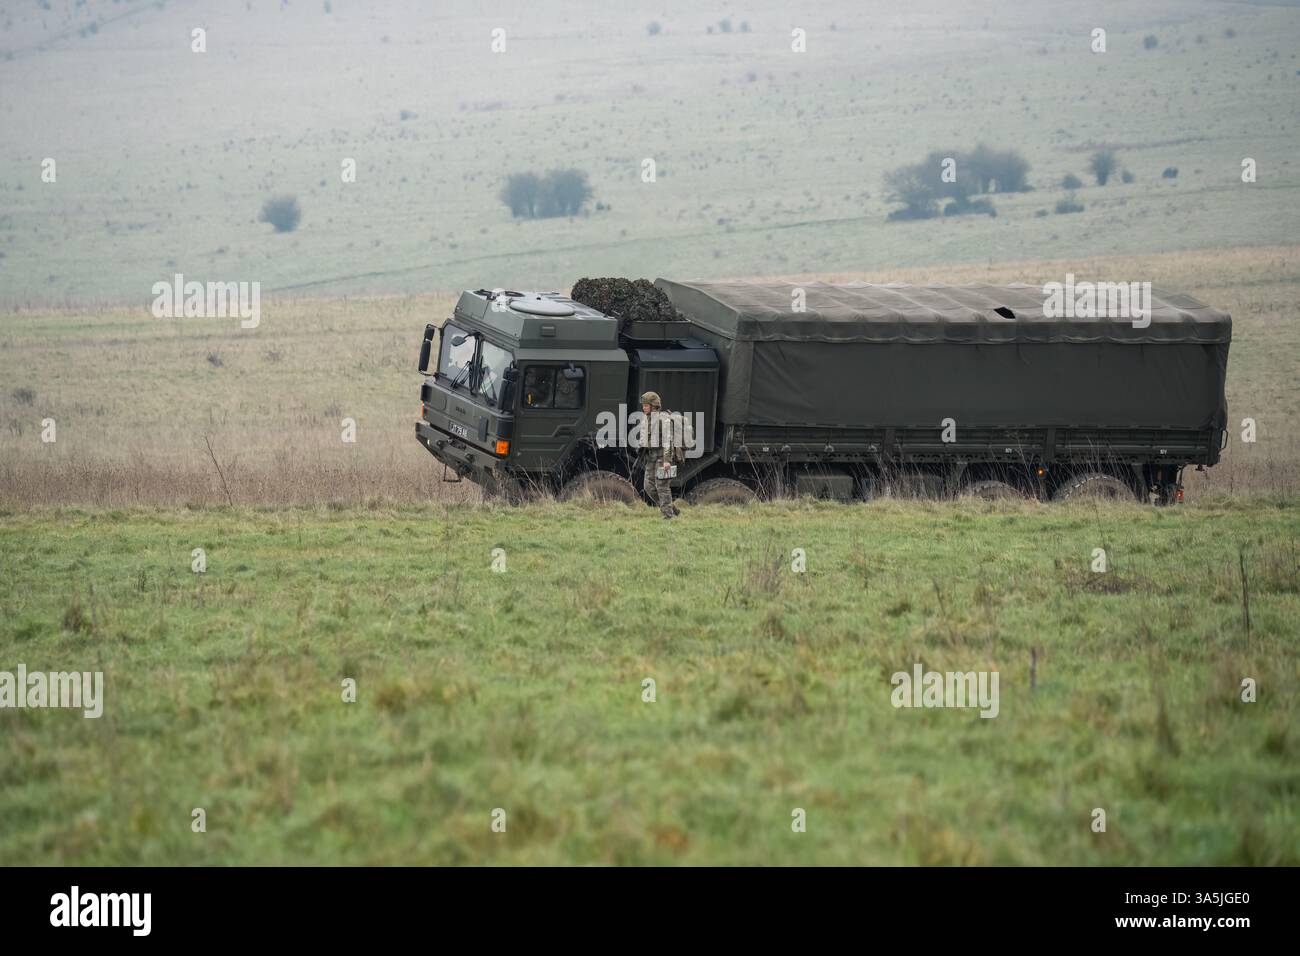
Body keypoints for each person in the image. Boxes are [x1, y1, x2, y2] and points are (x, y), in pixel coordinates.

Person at [639, 391, 679, 519]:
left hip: (662, 456)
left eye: (646, 405)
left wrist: (667, 460)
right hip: (651, 456)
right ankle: (670, 508)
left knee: (662, 486)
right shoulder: (645, 419)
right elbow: (644, 437)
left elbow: (668, 441)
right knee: (648, 486)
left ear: (654, 406)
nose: (644, 408)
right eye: (643, 405)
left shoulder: (664, 420)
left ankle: (668, 516)